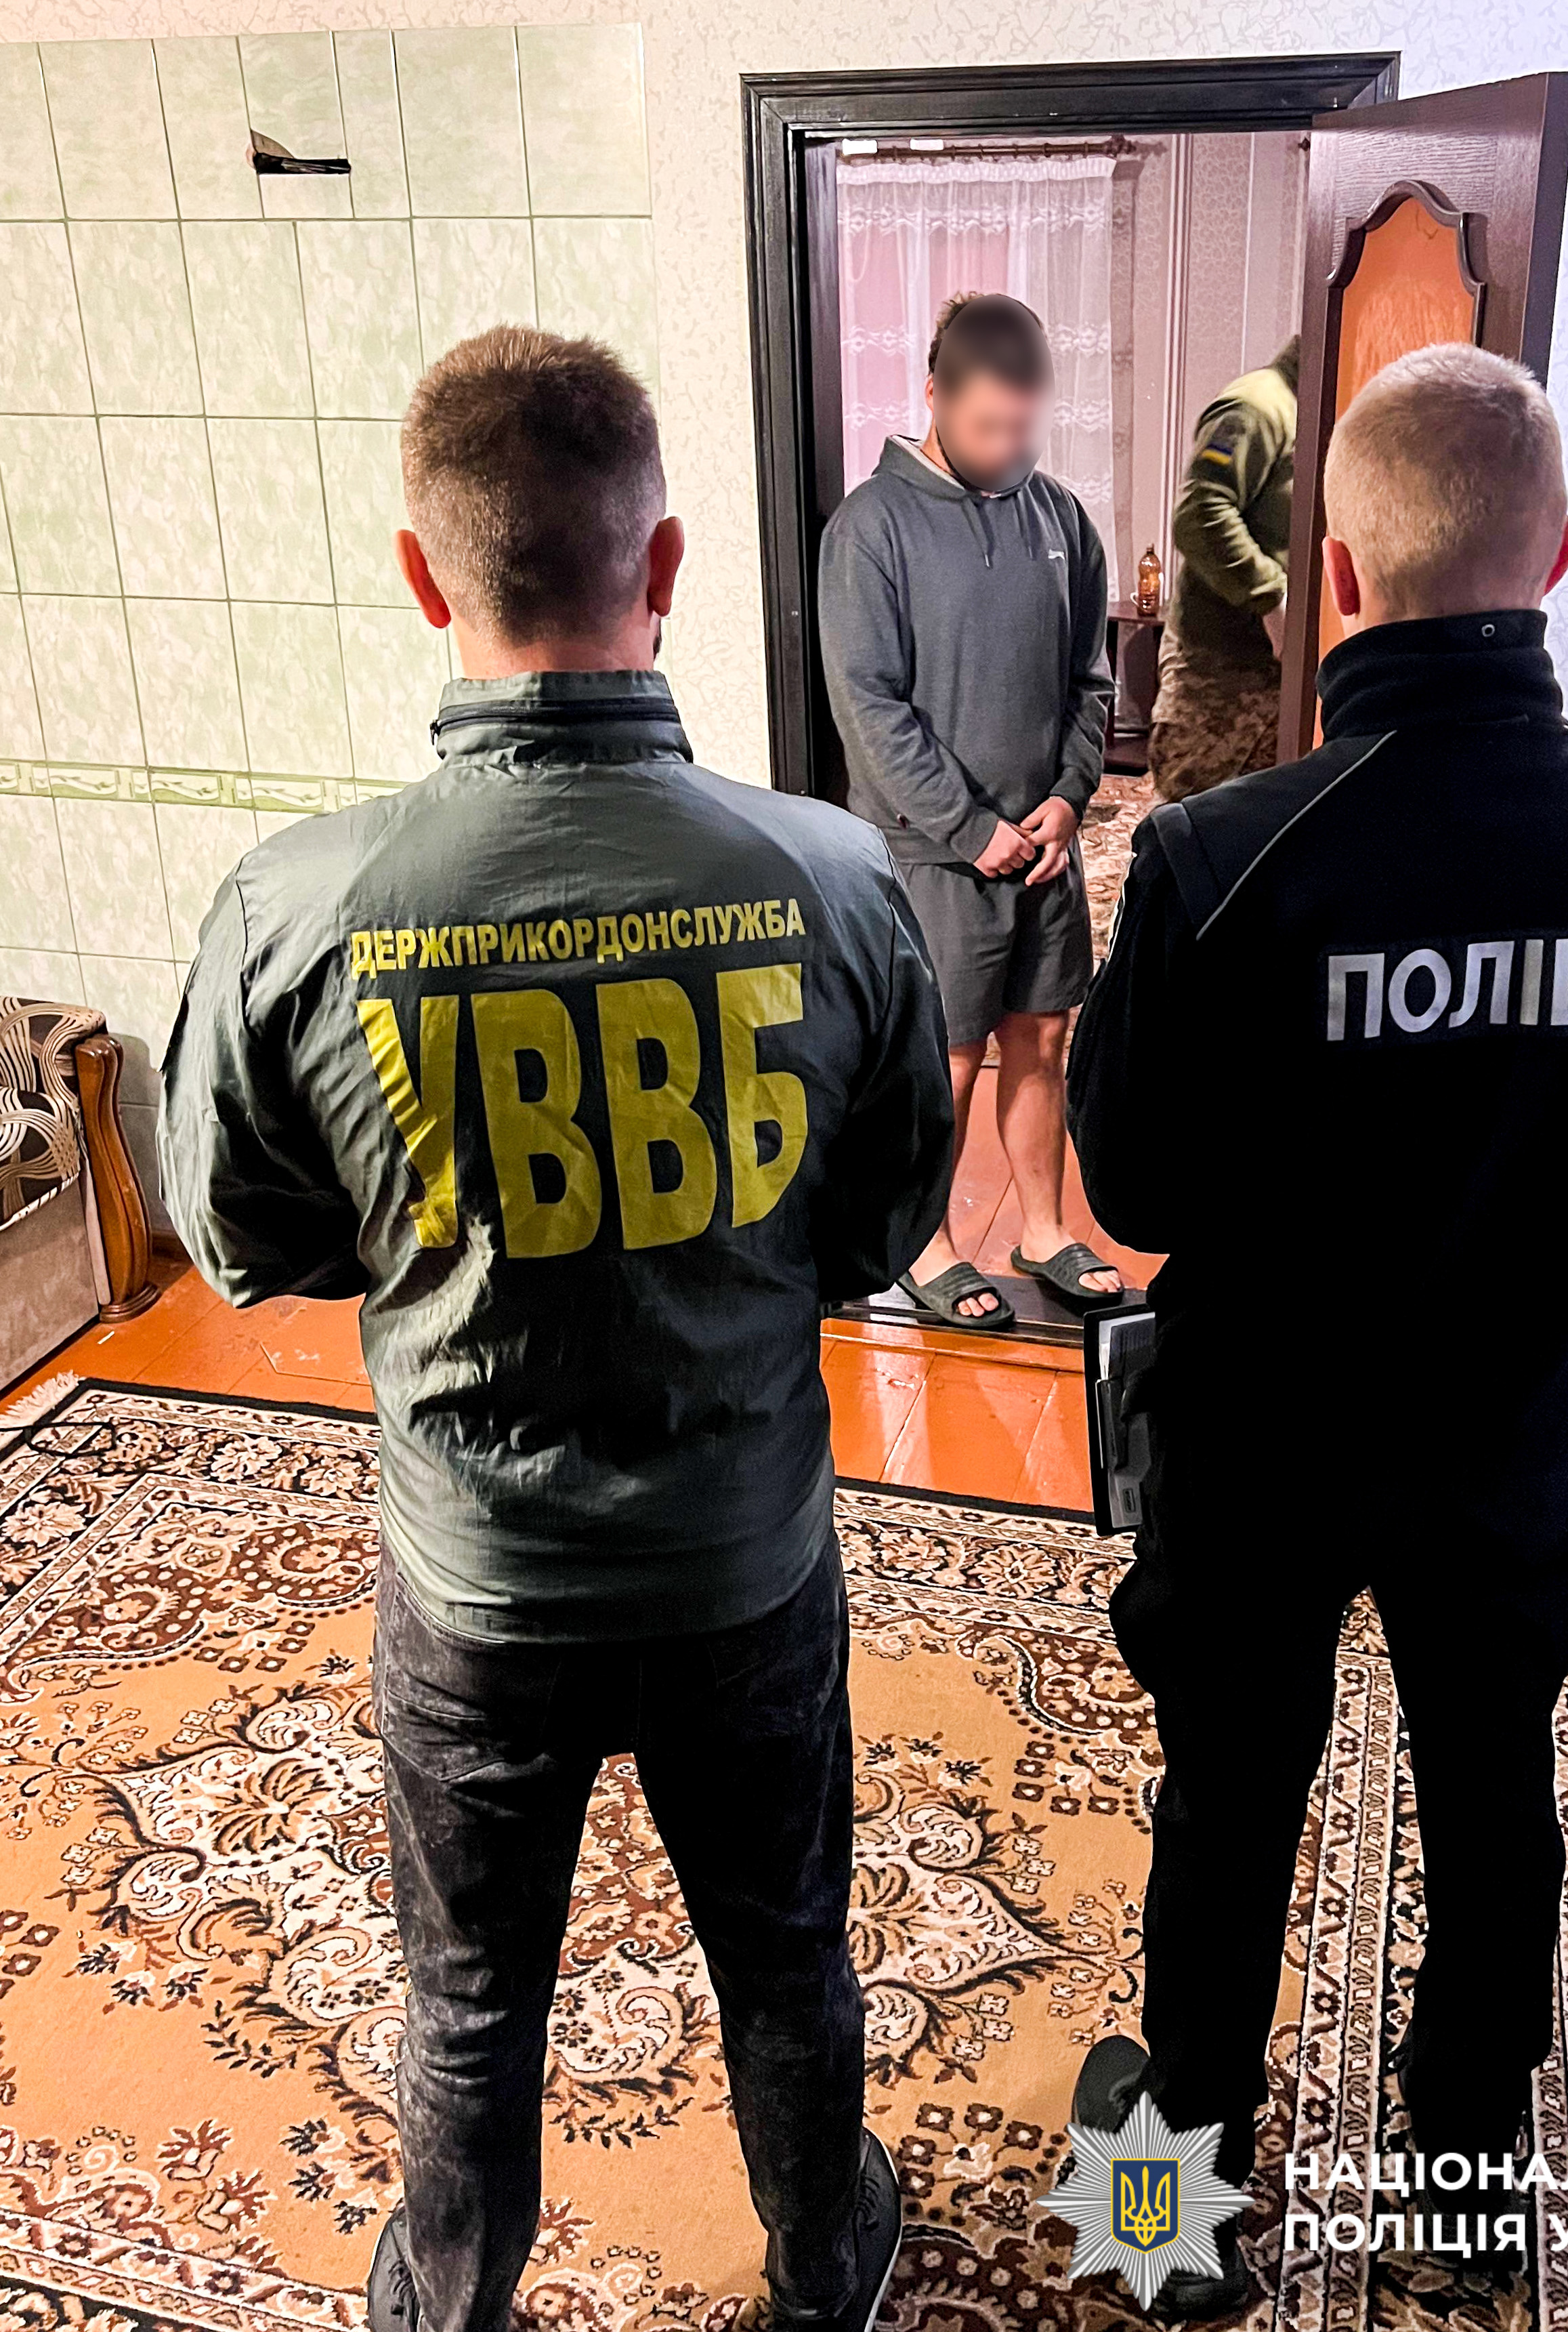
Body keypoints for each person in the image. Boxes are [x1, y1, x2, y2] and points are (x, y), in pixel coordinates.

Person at [160, 327, 955, 2332]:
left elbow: (238, 1238)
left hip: (478, 1584)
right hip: (744, 1561)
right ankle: (825, 2258)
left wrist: (444, 1241)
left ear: (421, 578)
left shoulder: (293, 906)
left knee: (465, 1989)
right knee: (786, 1950)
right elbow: (881, 1228)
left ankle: (451, 2298)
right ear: (664, 559)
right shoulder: (836, 877)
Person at [1066, 342, 1568, 2293]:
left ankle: (1167, 2220)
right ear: (1558, 553)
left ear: (1337, 572)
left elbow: (1132, 1191)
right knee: (1488, 1788)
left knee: (1228, 1806)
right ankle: (1463, 2179)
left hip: (1263, 1429)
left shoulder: (1215, 861)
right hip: (1510, 1415)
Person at [818, 291, 1120, 1329]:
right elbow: (869, 710)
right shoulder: (871, 529)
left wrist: (1066, 799)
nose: (1008, 448)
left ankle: (1042, 1228)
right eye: (989, 426)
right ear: (934, 396)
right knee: (943, 1056)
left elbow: (1091, 682)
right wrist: (971, 827)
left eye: (1024, 427)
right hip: (932, 856)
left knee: (1042, 1036)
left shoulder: (1061, 519)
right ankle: (926, 1242)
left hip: (1042, 847)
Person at [1147, 337, 1298, 804]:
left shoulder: (1323, 414)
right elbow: (1200, 514)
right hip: (1222, 674)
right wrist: (1270, 597)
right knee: (1190, 822)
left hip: (1284, 673)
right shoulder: (1259, 406)